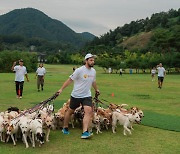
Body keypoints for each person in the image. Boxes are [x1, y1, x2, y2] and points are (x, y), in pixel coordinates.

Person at [57, 53, 100, 139]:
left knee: (88, 111)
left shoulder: (93, 71)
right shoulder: (79, 70)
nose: (93, 62)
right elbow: (70, 80)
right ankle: (65, 127)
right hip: (76, 95)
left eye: (93, 60)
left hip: (87, 95)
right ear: (86, 61)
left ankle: (85, 132)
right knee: (70, 111)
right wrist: (61, 89)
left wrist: (96, 89)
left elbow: (93, 82)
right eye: (91, 60)